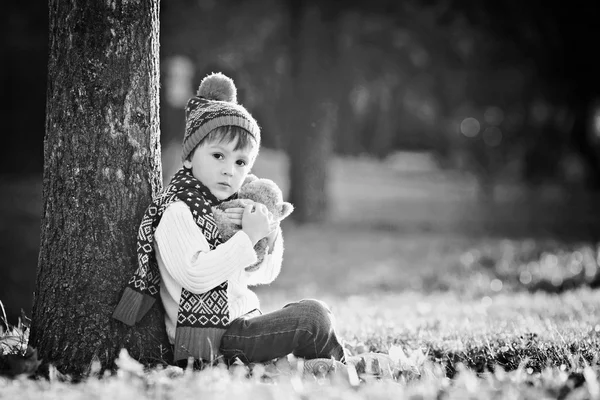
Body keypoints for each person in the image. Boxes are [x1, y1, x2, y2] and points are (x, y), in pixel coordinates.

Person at [112, 72, 346, 373]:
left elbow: (262, 274)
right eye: (218, 156)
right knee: (313, 317)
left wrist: (267, 234)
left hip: (244, 323)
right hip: (216, 341)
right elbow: (195, 275)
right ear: (189, 158)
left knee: (317, 311)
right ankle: (339, 365)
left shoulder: (226, 209)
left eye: (240, 162)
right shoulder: (178, 211)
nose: (229, 170)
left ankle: (323, 365)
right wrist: (247, 238)